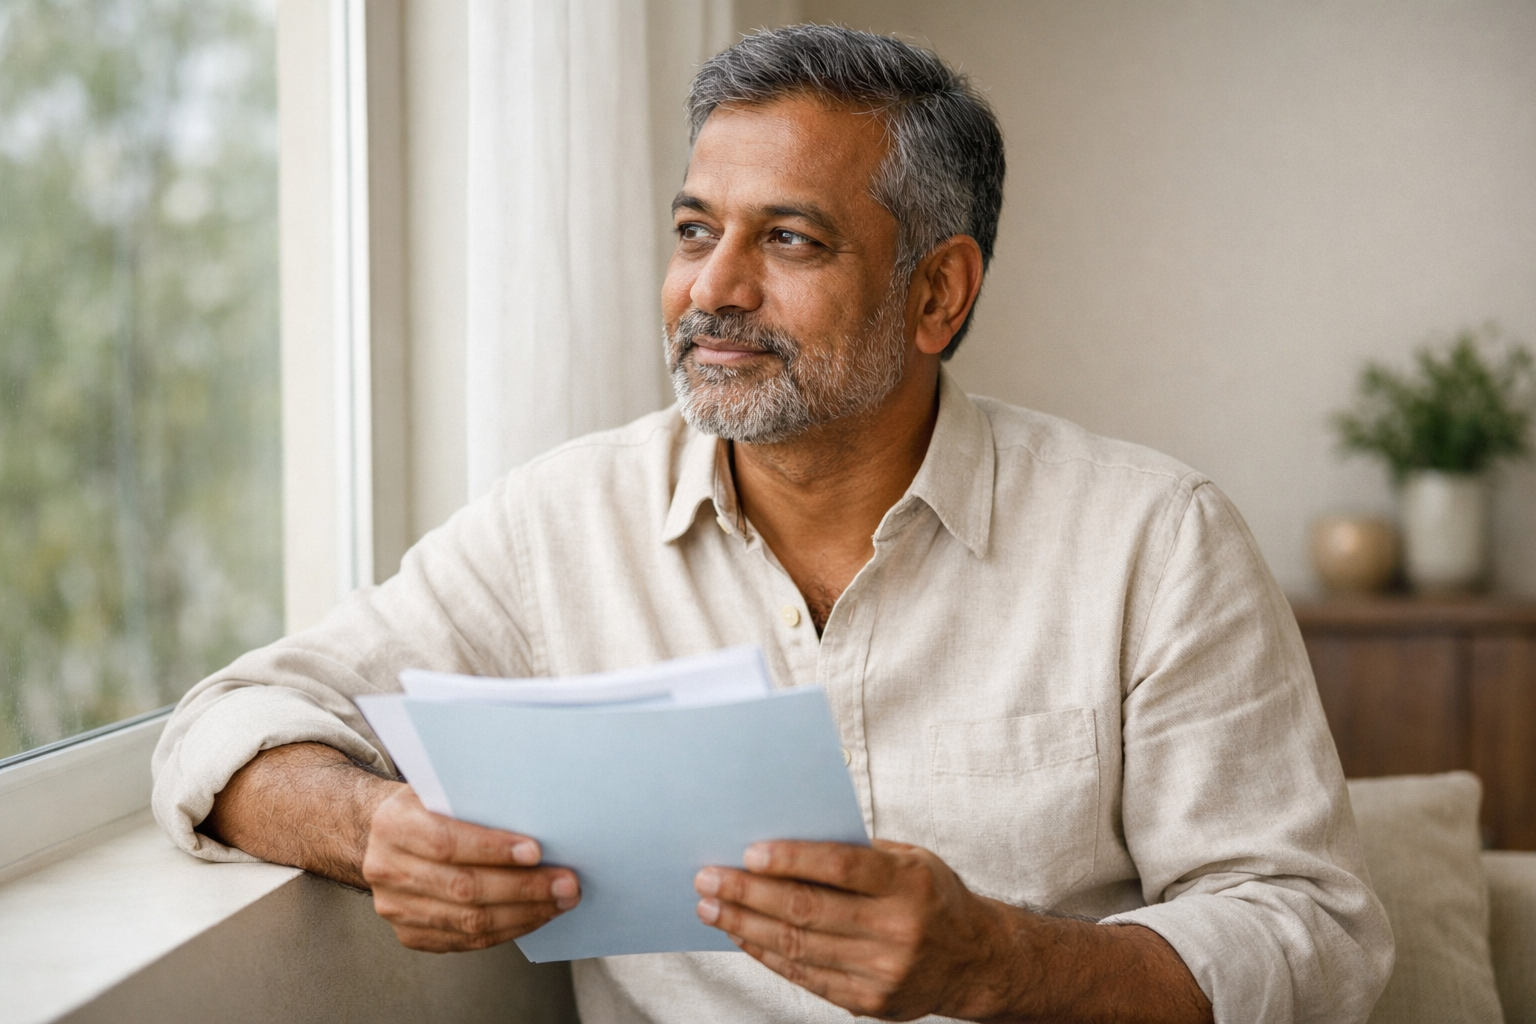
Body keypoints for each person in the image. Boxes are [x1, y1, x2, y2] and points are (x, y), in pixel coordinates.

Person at [153, 25, 1392, 1024]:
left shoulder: (1156, 541)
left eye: (788, 239)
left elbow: (1314, 935)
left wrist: (996, 965)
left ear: (938, 293)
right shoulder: (558, 524)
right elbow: (228, 725)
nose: (713, 291)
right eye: (697, 231)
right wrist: (376, 831)